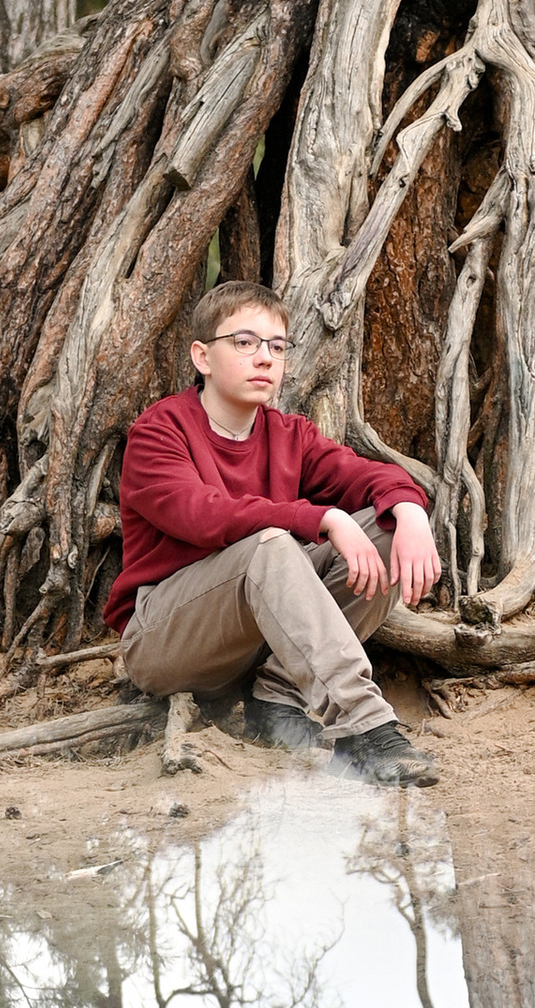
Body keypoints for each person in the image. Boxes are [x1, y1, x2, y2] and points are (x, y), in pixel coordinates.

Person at [108, 279, 445, 784]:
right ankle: (365, 725)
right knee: (268, 544)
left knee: (383, 525)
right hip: (166, 640)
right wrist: (323, 518)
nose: (264, 358)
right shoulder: (159, 432)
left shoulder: (288, 435)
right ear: (202, 356)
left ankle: (279, 697)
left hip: (257, 644)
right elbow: (204, 516)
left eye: (277, 346)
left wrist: (411, 511)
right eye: (244, 343)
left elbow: (367, 476)